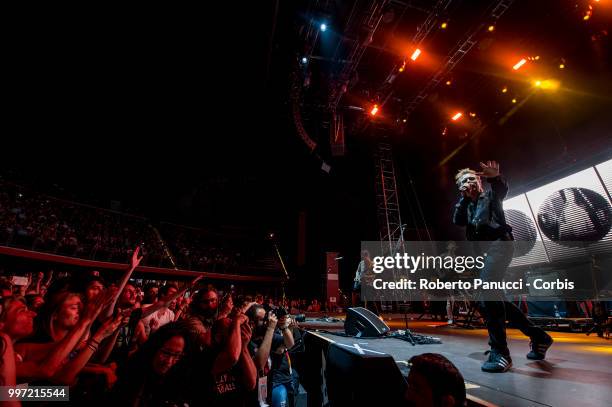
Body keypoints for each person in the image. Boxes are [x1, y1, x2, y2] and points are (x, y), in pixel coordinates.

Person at [452, 161, 553, 372]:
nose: (468, 183)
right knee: (490, 300)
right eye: (463, 181)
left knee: (487, 294)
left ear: (479, 180)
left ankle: (501, 352)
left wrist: (495, 177)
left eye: (471, 178)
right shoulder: (466, 206)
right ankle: (539, 337)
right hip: (484, 253)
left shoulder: (490, 196)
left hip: (501, 245)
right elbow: (457, 220)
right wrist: (463, 199)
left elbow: (501, 189)